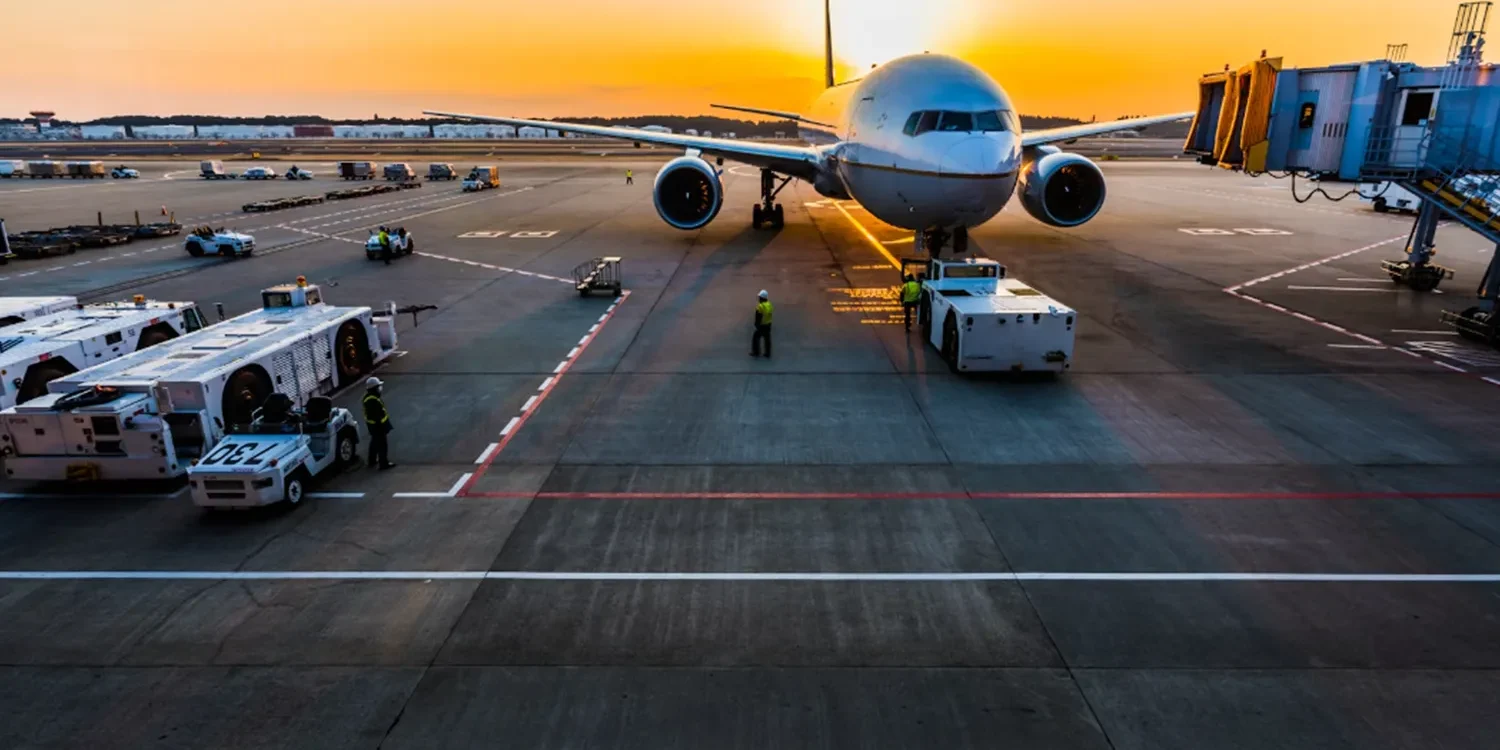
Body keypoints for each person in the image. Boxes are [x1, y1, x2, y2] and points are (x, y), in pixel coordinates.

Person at [362, 376, 395, 470]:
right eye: (378, 387)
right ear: (374, 388)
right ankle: (383, 463)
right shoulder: (372, 400)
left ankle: (372, 460)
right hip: (378, 427)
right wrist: (383, 426)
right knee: (382, 445)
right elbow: (377, 416)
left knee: (374, 443)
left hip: (373, 426)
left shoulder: (369, 398)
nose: (380, 389)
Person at [750, 290, 773, 358]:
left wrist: (756, 324)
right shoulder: (769, 304)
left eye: (759, 297)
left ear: (762, 298)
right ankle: (767, 353)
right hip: (768, 324)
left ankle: (756, 352)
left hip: (762, 325)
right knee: (767, 339)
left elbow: (758, 316)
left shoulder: (760, 306)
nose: (759, 299)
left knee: (756, 337)